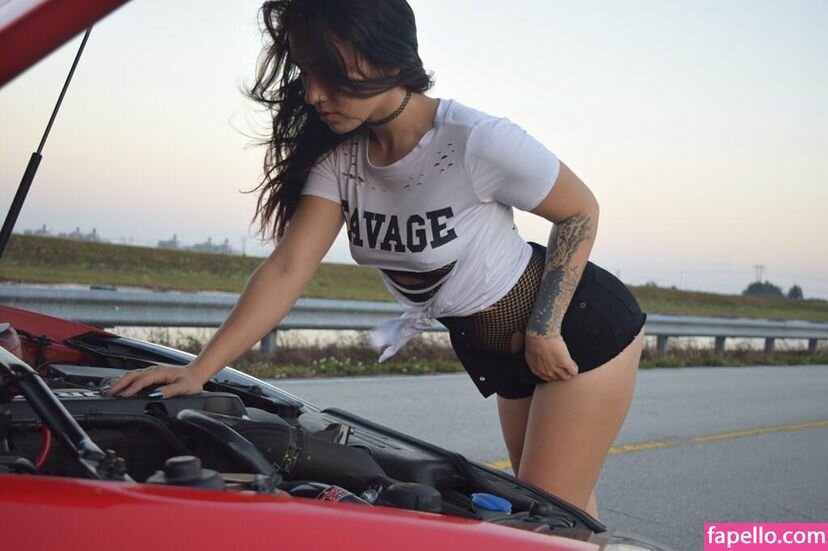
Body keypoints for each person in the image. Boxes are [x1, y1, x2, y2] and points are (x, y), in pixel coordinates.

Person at [106, 0, 646, 520]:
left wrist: (544, 328)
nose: (313, 94)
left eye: (329, 72)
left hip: (578, 331)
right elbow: (288, 268)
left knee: (546, 518)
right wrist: (199, 370)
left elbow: (579, 210)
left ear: (384, 56)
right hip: (505, 354)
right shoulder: (342, 163)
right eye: (306, 73)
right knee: (564, 512)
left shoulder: (475, 140)